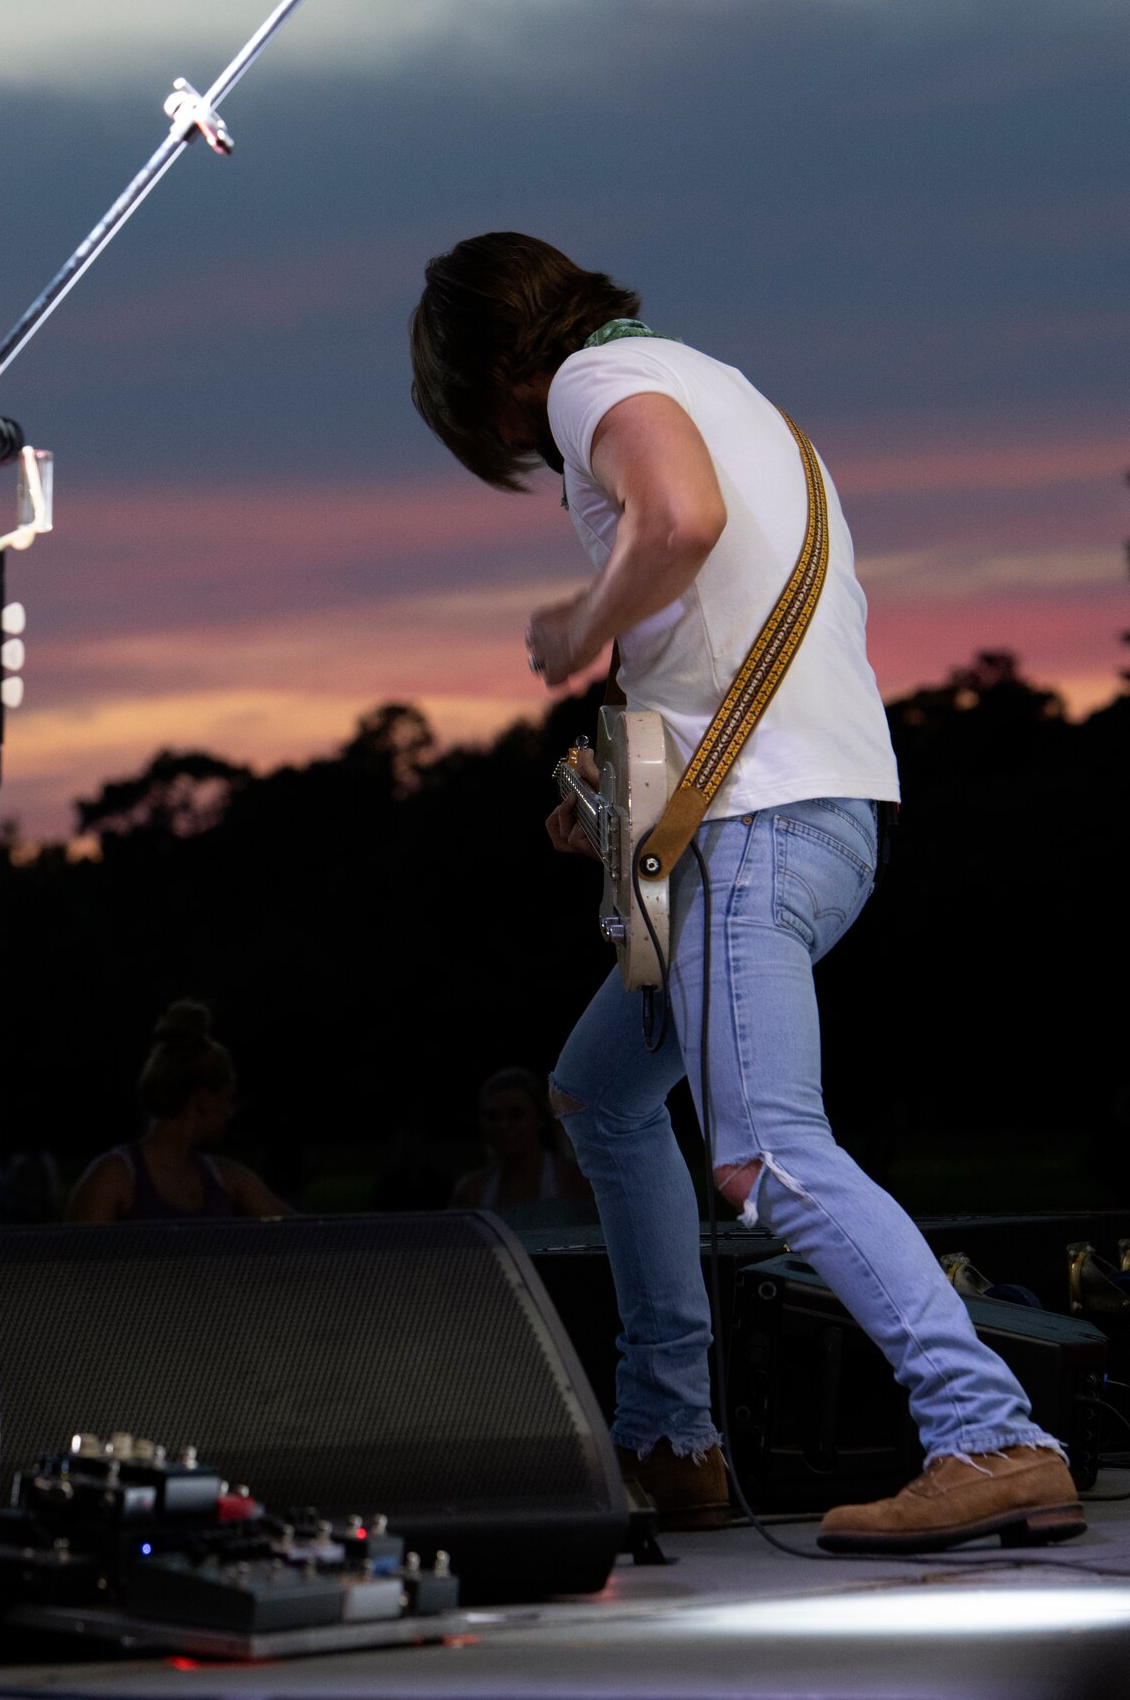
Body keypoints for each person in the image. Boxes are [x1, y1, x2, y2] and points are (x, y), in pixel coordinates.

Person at [409, 232, 1080, 1549]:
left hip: (765, 829)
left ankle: (990, 1429)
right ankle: (673, 1439)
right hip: (788, 815)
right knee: (601, 1096)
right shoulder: (716, 386)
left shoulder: (592, 389)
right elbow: (723, 622)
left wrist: (577, 620)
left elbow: (683, 522)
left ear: (489, 377)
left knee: (766, 1151)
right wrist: (608, 806)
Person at [65, 1000, 290, 1223]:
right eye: (226, 1099)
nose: (229, 1112)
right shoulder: (114, 1177)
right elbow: (76, 1256)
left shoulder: (227, 1179)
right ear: (203, 1099)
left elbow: (305, 1230)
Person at [451, 1066, 594, 1228]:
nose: (503, 1125)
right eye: (493, 1117)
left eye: (516, 1114)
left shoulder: (575, 1181)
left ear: (539, 1118)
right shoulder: (471, 1193)